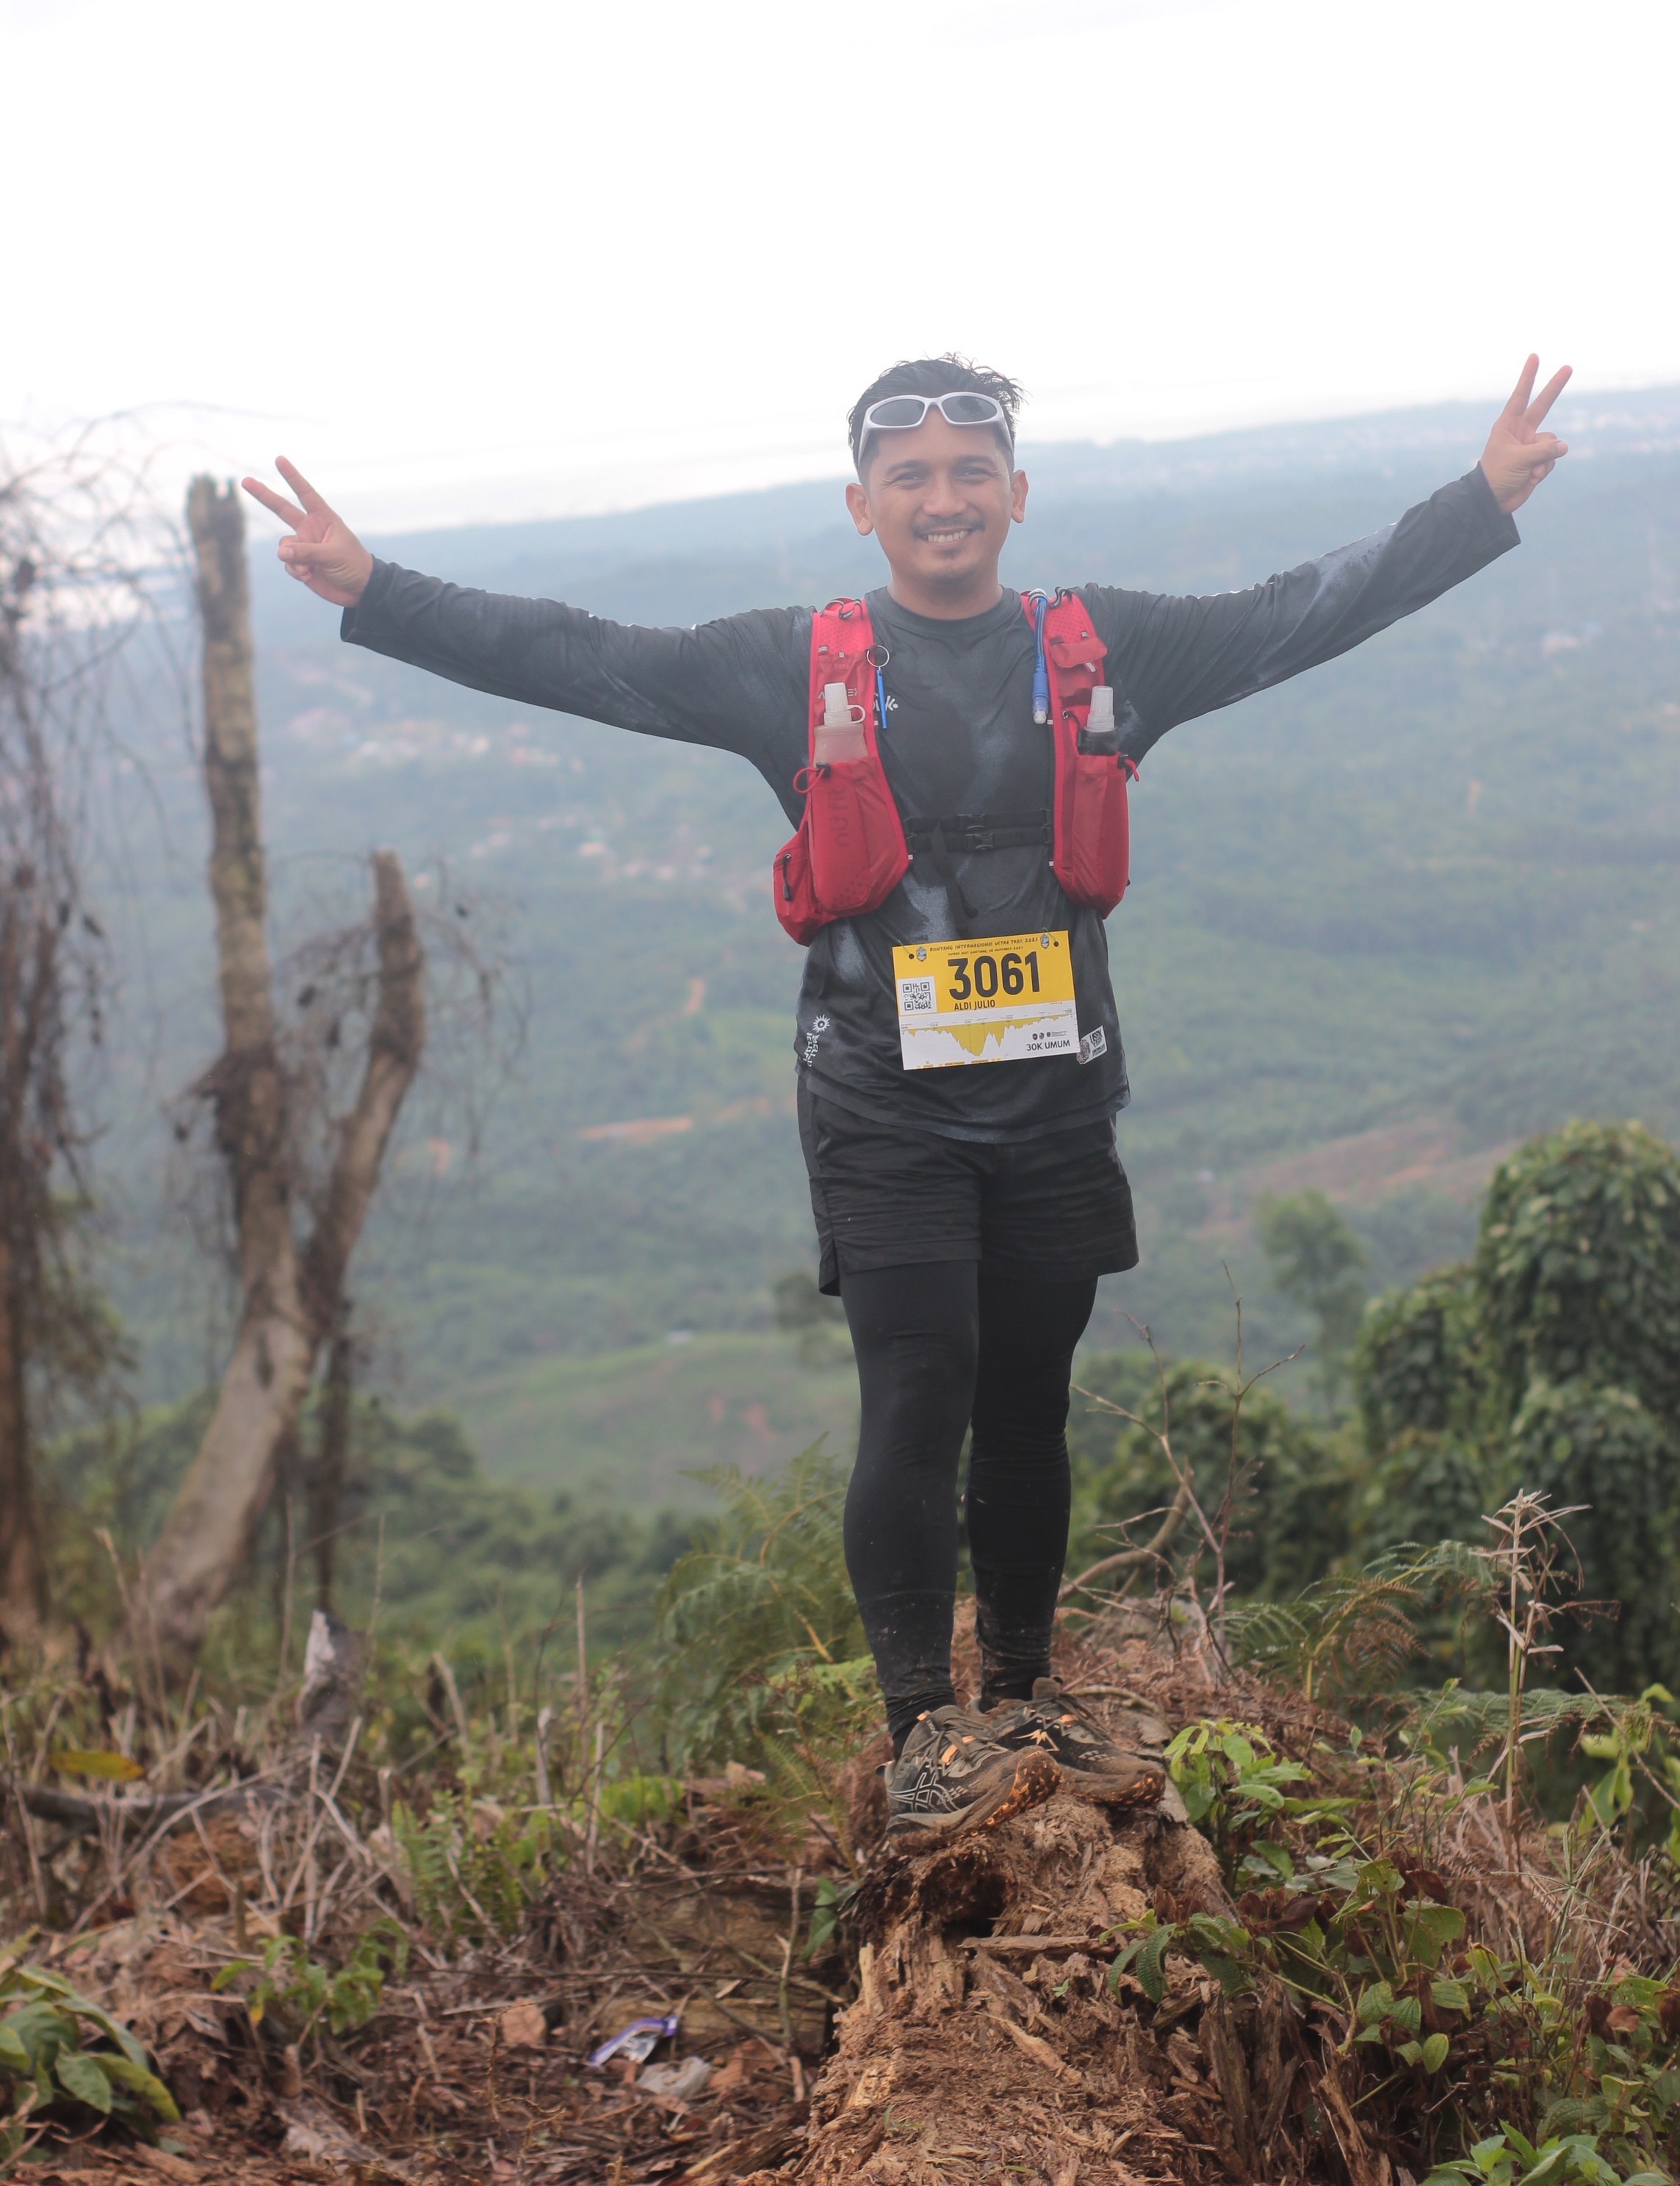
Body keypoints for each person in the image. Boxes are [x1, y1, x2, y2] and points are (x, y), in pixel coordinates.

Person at [246, 348, 1568, 1840]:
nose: (945, 499)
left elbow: (1300, 611)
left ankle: (1025, 1696)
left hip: (1055, 1095)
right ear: (863, 504)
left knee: (1029, 1403)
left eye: (970, 472)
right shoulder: (793, 664)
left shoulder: (1101, 648)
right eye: (912, 477)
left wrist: (1478, 504)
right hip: (883, 1099)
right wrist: (376, 589)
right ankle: (922, 1730)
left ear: (1017, 493)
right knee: (921, 1387)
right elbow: (577, 652)